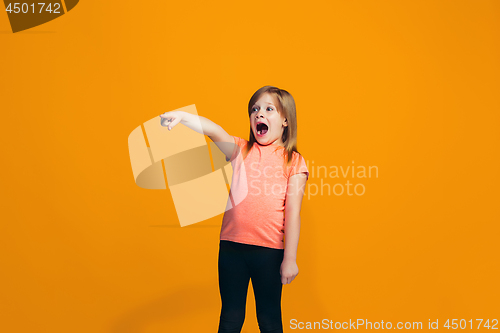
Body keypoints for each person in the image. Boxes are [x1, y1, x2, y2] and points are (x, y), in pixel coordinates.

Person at [159, 86, 309, 333]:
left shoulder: (293, 161)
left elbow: (293, 212)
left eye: (268, 109)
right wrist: (183, 117)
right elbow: (213, 130)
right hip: (231, 249)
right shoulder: (240, 149)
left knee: (269, 319)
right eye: (255, 109)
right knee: (230, 316)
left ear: (285, 120)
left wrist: (290, 259)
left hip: (269, 253)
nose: (259, 114)